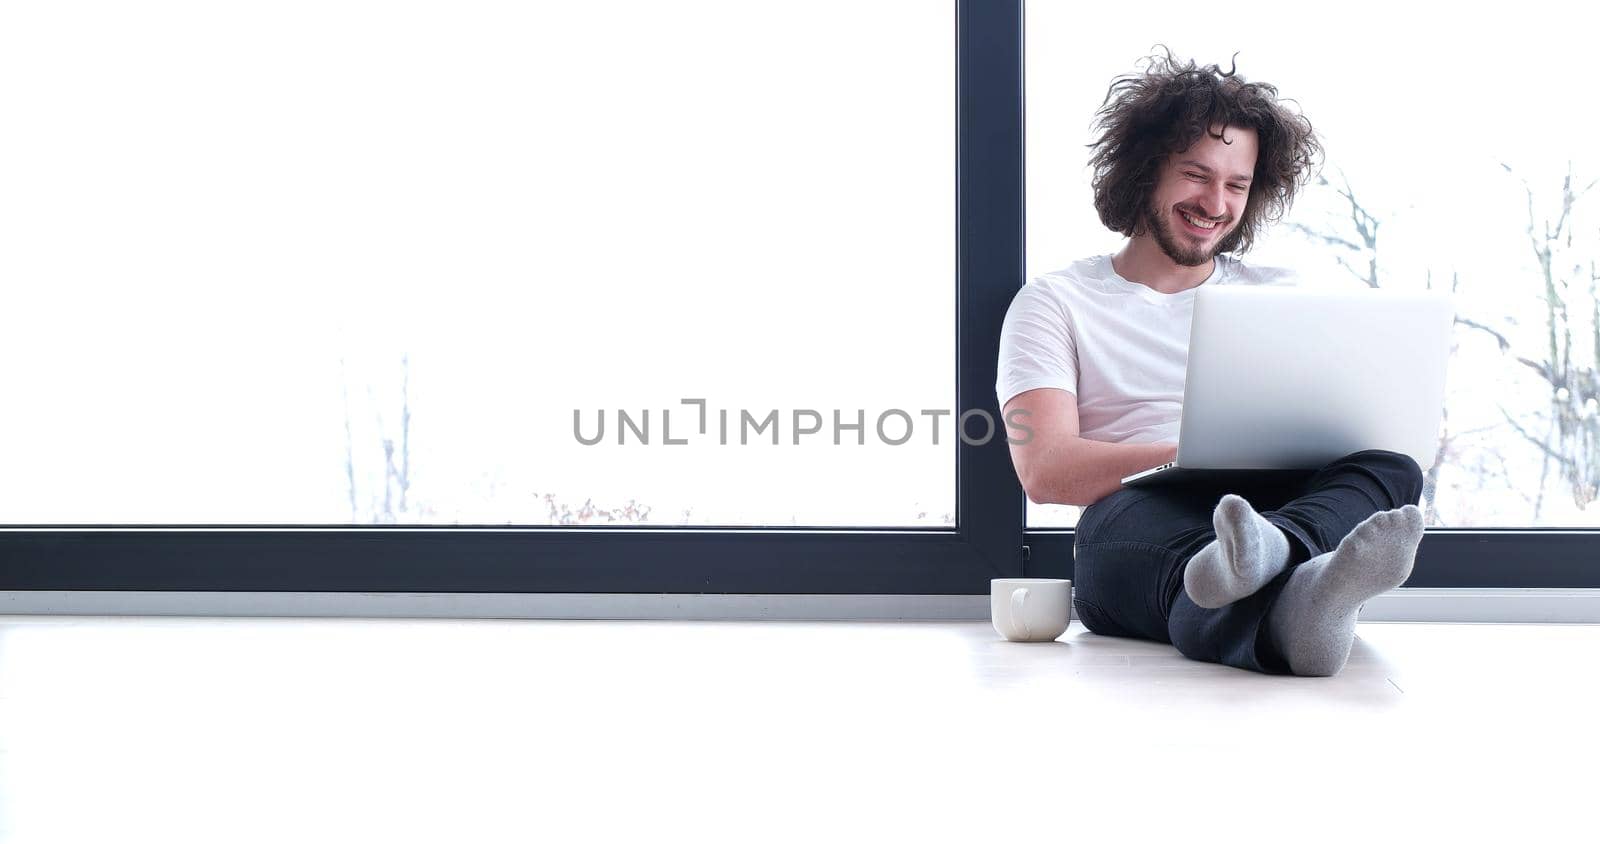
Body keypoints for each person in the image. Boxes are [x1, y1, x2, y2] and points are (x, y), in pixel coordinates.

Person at [995, 50, 1425, 677]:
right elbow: (1046, 469)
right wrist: (1190, 453)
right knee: (1170, 558)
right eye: (1197, 175)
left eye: (1237, 185)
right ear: (1145, 171)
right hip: (1141, 507)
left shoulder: (1279, 292)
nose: (1216, 203)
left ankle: (1284, 560)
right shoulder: (1054, 302)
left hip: (1276, 505)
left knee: (1391, 467)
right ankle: (1299, 594)